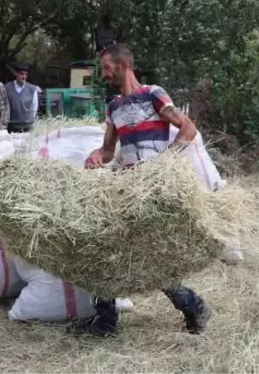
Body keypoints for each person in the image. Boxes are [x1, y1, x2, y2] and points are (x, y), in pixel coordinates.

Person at [67, 43, 212, 338]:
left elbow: (188, 129)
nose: (104, 74)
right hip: (127, 187)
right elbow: (109, 150)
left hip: (153, 191)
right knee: (104, 245)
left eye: (107, 68)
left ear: (123, 66)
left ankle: (193, 305)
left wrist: (166, 162)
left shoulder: (153, 95)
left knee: (150, 257)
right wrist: (98, 155)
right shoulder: (113, 107)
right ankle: (105, 320)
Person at [5, 63, 40, 133]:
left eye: (26, 74)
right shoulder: (7, 87)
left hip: (28, 127)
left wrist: (30, 121)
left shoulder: (32, 89)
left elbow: (34, 108)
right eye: (21, 74)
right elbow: (4, 106)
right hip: (12, 126)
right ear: (16, 74)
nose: (24, 76)